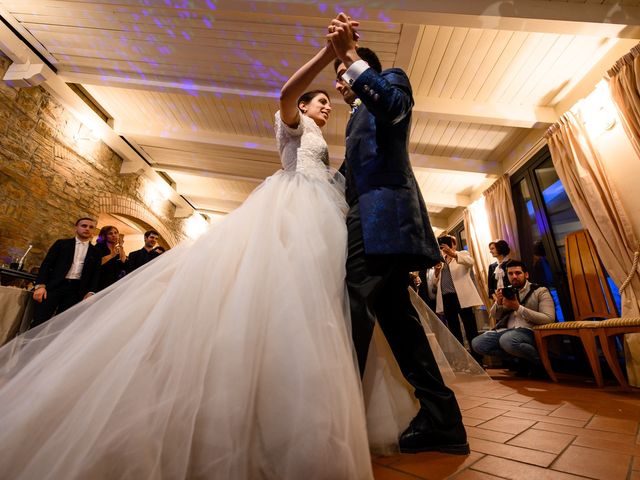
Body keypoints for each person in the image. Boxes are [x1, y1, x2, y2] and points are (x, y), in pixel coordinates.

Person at [0, 24, 374, 479]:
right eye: (319, 101)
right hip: (293, 208)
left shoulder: (325, 140)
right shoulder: (291, 123)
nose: (325, 107)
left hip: (320, 214)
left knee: (312, 301)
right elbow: (286, 90)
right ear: (301, 107)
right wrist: (325, 52)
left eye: (326, 104)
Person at [329, 14, 469, 455]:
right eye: (339, 75)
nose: (339, 83)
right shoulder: (353, 121)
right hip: (366, 218)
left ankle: (332, 417)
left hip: (383, 217)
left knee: (351, 304)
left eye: (342, 74)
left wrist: (349, 56)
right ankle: (442, 419)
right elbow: (349, 175)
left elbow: (393, 107)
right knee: (399, 324)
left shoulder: (392, 80)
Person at [471, 260, 555, 374]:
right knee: (478, 344)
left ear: (526, 274)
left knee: (507, 340)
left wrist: (518, 308)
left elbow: (549, 318)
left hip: (530, 331)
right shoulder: (508, 291)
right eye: (510, 274)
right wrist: (498, 302)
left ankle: (541, 362)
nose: (514, 276)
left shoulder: (540, 291)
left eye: (517, 273)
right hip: (507, 331)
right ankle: (520, 361)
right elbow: (495, 315)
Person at [30, 217, 101, 328]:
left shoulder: (96, 252)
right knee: (39, 321)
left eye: (91, 227)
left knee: (62, 326)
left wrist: (91, 292)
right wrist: (40, 286)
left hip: (76, 291)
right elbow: (46, 265)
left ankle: (53, 346)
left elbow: (95, 274)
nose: (87, 229)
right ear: (76, 228)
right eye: (84, 226)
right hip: (54, 287)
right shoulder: (61, 244)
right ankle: (29, 346)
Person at [431, 235, 483, 355]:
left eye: (449, 243)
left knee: (470, 327)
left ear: (454, 244)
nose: (445, 246)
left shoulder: (462, 254)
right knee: (454, 330)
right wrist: (437, 272)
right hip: (446, 298)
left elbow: (471, 262)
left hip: (461, 297)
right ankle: (462, 360)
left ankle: (477, 359)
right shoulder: (441, 260)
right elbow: (436, 283)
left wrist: (453, 254)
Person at [95, 225, 127, 291]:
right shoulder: (98, 247)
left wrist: (121, 246)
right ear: (104, 236)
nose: (114, 235)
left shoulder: (117, 249)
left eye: (115, 233)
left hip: (113, 281)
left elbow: (123, 261)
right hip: (100, 280)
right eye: (110, 233)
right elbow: (96, 263)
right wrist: (112, 255)